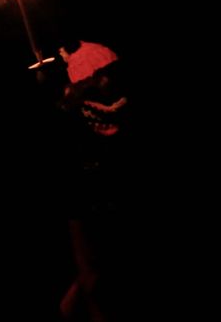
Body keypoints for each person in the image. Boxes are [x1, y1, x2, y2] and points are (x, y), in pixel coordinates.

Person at [52, 38, 137, 322]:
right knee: (93, 278)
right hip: (84, 191)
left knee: (100, 273)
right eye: (101, 76)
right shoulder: (75, 126)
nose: (108, 82)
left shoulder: (115, 111)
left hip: (104, 186)